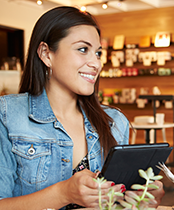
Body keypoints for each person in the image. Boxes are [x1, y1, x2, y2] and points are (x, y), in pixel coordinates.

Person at [0, 7, 164, 209]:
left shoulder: (114, 121)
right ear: (46, 54)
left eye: (98, 53)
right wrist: (63, 193)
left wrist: (141, 199)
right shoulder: (7, 115)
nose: (96, 63)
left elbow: (116, 202)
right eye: (83, 49)